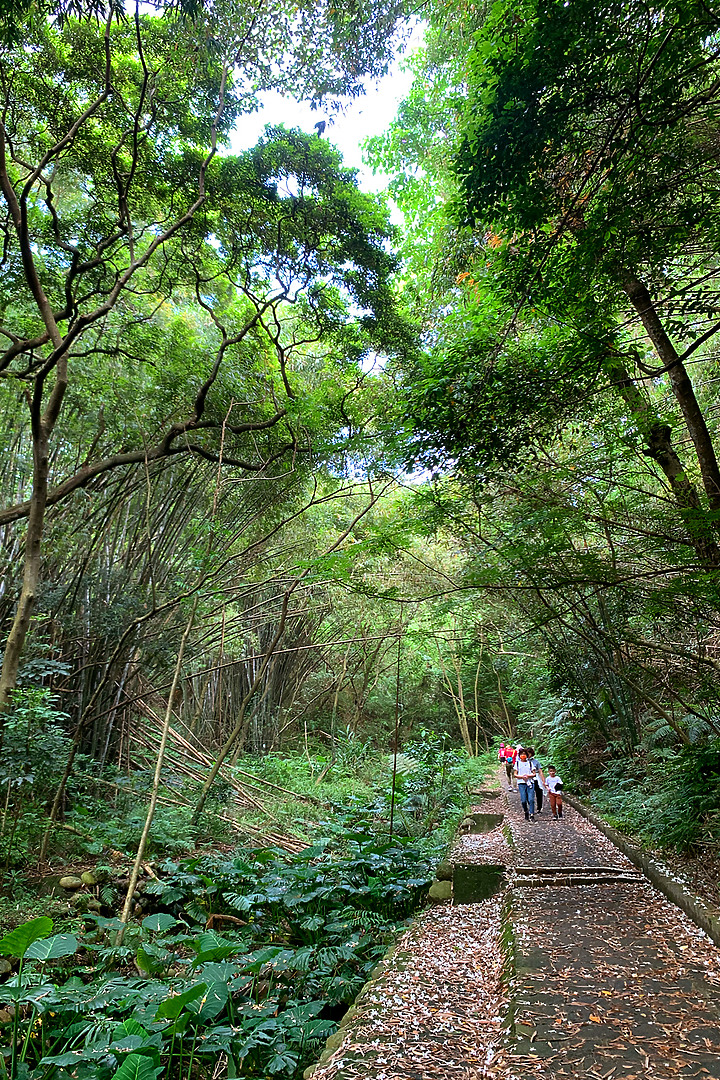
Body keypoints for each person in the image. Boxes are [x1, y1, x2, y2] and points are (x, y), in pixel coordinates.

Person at [513, 747, 536, 821]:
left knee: (531, 799)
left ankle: (531, 814)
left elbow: (534, 774)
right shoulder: (517, 763)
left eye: (524, 754)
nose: (523, 756)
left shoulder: (530, 763)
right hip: (521, 783)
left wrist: (528, 776)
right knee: (523, 800)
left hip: (530, 783)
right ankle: (526, 811)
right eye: (521, 754)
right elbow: (515, 774)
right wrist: (521, 777)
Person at [526, 747, 546, 814]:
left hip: (536, 778)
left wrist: (543, 781)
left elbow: (540, 771)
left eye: (529, 753)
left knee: (539, 793)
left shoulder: (536, 761)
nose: (528, 755)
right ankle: (530, 808)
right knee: (528, 794)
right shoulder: (523, 762)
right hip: (528, 779)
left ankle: (539, 808)